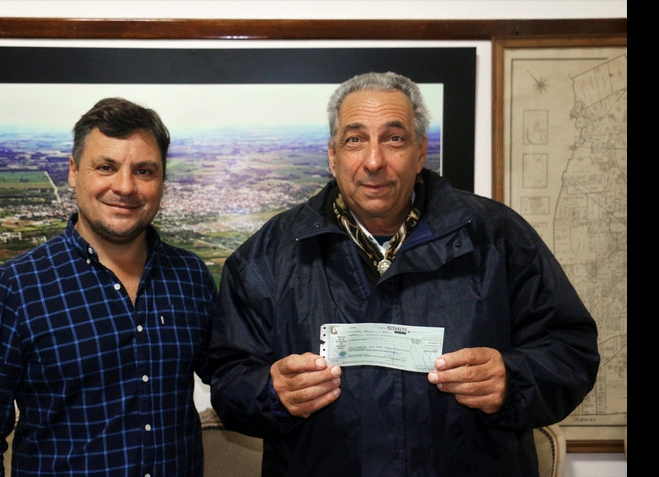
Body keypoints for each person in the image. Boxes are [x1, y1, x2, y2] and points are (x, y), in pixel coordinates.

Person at [208, 72, 600, 476]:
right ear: (332, 156)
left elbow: (571, 351)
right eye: (354, 140)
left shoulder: (497, 237)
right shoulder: (270, 254)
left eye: (394, 138)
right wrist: (272, 392)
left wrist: (513, 379)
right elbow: (228, 376)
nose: (373, 161)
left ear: (420, 152)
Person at [0, 97, 218, 476]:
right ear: (74, 171)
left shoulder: (190, 276)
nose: (125, 186)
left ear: (161, 181)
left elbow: (228, 375)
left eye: (144, 171)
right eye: (106, 167)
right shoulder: (14, 289)